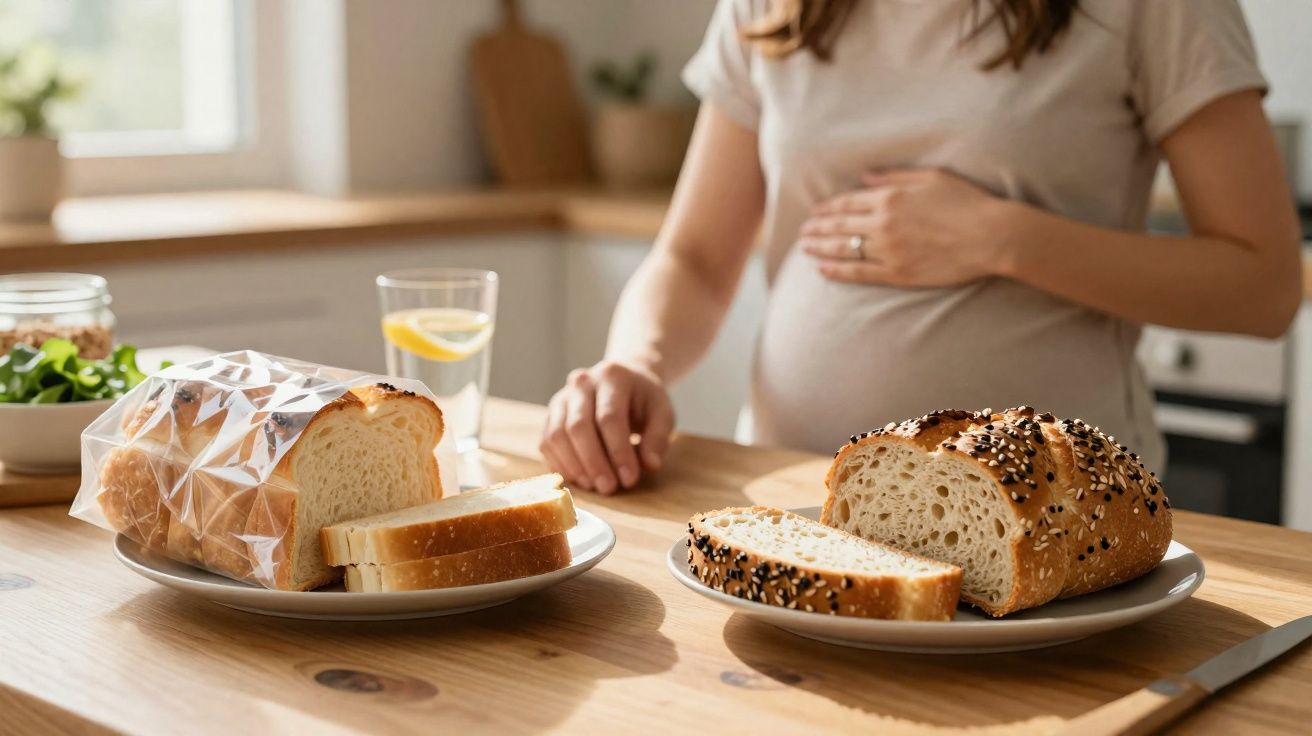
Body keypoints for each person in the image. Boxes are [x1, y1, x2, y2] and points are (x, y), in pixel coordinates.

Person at [540, 0, 1302, 495]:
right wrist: (636, 363)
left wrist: (1001, 238)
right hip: (803, 499)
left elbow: (1265, 285)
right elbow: (695, 258)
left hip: (1048, 520)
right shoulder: (773, 6)